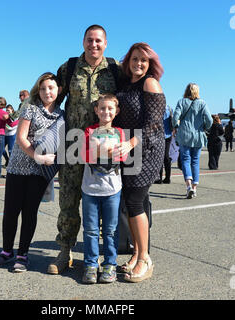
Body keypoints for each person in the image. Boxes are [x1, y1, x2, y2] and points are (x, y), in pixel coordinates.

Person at [47, 24, 122, 275]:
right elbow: (52, 102)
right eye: (90, 40)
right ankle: (65, 252)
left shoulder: (115, 70)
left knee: (103, 203)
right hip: (73, 146)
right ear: (83, 42)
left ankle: (102, 259)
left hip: (104, 149)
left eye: (98, 41)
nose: (94, 45)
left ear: (106, 43)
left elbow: (125, 103)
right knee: (68, 201)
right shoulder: (68, 68)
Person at [0, 72, 62, 272]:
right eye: (44, 88)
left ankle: (23, 254)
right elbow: (21, 138)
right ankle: (6, 251)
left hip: (39, 172)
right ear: (39, 89)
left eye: (52, 88)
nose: (48, 91)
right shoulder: (30, 108)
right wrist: (37, 156)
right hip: (18, 167)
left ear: (59, 90)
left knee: (30, 213)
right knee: (11, 211)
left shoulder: (61, 115)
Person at [113, 42, 166, 283]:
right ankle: (135, 253)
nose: (139, 64)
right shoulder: (126, 84)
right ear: (128, 61)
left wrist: (132, 143)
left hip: (146, 150)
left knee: (134, 201)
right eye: (135, 59)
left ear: (150, 63)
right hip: (127, 148)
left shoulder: (150, 83)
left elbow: (155, 124)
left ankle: (145, 258)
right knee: (134, 201)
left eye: (144, 60)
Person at [80, 94, 126, 284]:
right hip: (90, 189)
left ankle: (110, 264)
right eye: (102, 108)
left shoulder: (119, 132)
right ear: (96, 110)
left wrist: (101, 147)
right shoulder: (89, 131)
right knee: (90, 230)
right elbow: (85, 156)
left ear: (116, 112)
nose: (106, 111)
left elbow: (120, 157)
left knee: (111, 230)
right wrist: (104, 149)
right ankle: (91, 264)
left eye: (110, 108)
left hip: (112, 189)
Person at [172, 83, 212, 199]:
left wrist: (175, 126)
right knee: (195, 161)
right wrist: (204, 127)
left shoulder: (181, 102)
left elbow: (175, 117)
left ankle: (188, 185)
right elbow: (209, 119)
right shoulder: (202, 103)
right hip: (198, 135)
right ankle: (194, 187)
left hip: (184, 135)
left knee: (185, 160)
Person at [155, 105, 173, 184]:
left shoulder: (156, 109)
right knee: (166, 156)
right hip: (168, 134)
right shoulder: (169, 108)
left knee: (159, 156)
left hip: (159, 135)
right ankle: (168, 177)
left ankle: (159, 178)